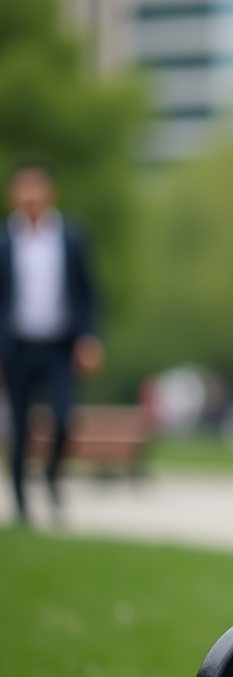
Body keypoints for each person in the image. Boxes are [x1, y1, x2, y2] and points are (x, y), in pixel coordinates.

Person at [1, 164, 103, 524]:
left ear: (50, 192)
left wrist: (90, 338)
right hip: (16, 347)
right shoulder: (4, 240)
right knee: (19, 426)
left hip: (59, 345)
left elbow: (89, 293)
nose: (30, 196)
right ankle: (21, 505)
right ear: (13, 194)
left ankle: (52, 479)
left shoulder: (71, 237)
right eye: (22, 188)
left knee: (62, 419)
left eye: (36, 187)